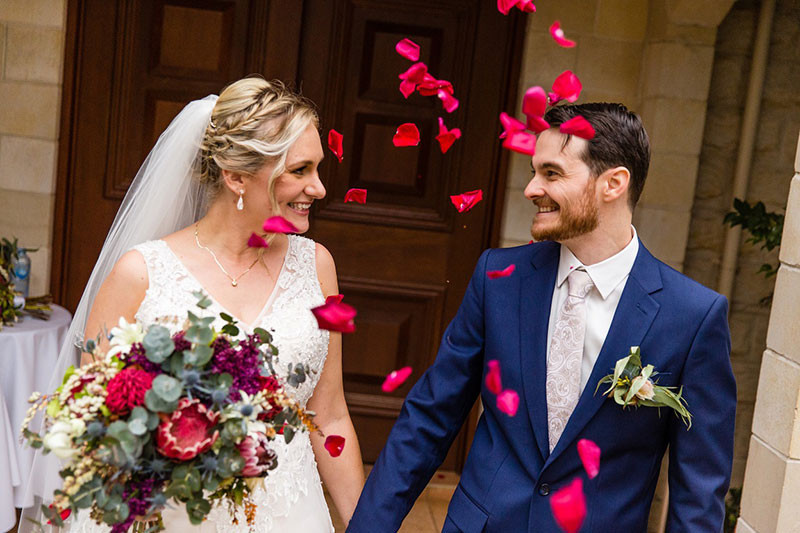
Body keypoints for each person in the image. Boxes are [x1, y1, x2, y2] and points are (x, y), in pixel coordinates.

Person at [346, 103, 736, 532]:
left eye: (551, 173)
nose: (531, 188)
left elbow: (697, 491)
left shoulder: (692, 316)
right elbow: (428, 419)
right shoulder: (498, 279)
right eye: (535, 171)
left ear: (613, 183)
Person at [22, 77, 364, 532]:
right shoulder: (140, 274)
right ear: (237, 176)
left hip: (291, 515)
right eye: (300, 170)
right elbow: (92, 429)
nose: (319, 188)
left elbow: (331, 412)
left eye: (318, 169)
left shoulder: (317, 266)